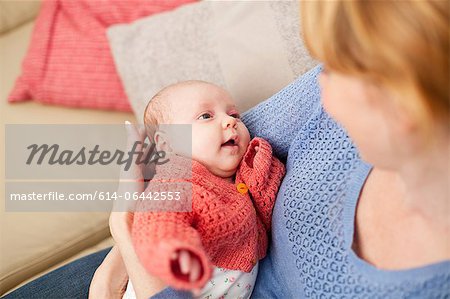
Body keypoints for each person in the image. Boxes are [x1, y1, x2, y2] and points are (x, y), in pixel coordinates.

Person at [2, 1, 448, 298]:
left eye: (341, 71)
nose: (320, 84)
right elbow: (161, 219)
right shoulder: (183, 176)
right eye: (206, 117)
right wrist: (134, 248)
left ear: (404, 103)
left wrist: (134, 253)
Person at [113, 80, 285, 299]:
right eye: (206, 116)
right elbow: (157, 224)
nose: (229, 121)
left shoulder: (236, 177)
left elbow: (263, 202)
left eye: (234, 115)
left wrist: (261, 163)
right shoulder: (176, 181)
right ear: (167, 145)